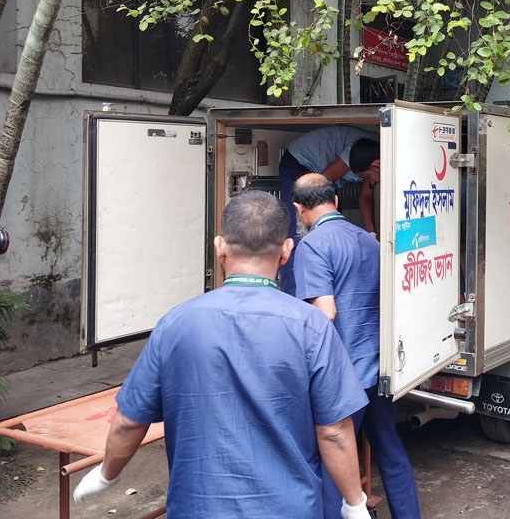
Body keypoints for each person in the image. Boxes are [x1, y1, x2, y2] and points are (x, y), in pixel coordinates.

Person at [72, 191, 372, 519]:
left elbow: (129, 421)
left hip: (198, 509)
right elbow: (334, 431)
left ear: (220, 248)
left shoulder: (175, 323)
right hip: (289, 508)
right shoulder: (311, 326)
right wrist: (354, 503)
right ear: (287, 251)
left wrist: (106, 474)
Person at [291, 174, 421, 519]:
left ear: (298, 209)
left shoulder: (312, 246)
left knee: (334, 463)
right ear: (335, 201)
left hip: (342, 376)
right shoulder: (368, 240)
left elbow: (325, 314)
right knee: (390, 451)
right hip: (378, 369)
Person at [279, 127, 380, 295]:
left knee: (334, 231)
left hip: (324, 178)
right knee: (296, 233)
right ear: (376, 166)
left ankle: (329, 290)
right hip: (300, 163)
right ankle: (294, 296)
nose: (370, 181)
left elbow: (365, 197)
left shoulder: (375, 154)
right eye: (367, 177)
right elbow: (322, 182)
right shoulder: (359, 152)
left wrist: (372, 235)